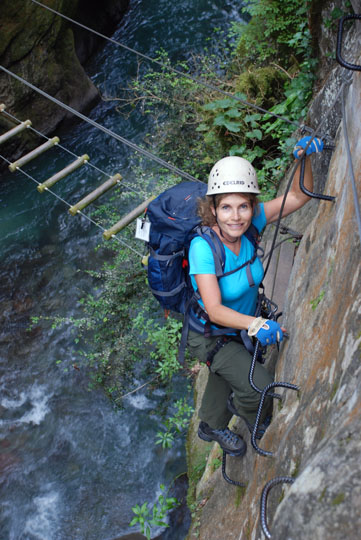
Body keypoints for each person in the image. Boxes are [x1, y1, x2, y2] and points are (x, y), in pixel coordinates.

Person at [187, 137, 323, 456]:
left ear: (252, 205)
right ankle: (257, 422)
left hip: (241, 323)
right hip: (211, 333)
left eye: (243, 206)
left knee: (227, 372)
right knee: (259, 386)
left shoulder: (252, 225)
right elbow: (215, 309)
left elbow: (299, 195)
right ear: (213, 209)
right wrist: (257, 324)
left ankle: (209, 423)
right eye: (226, 207)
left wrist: (303, 159)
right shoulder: (202, 249)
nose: (235, 216)